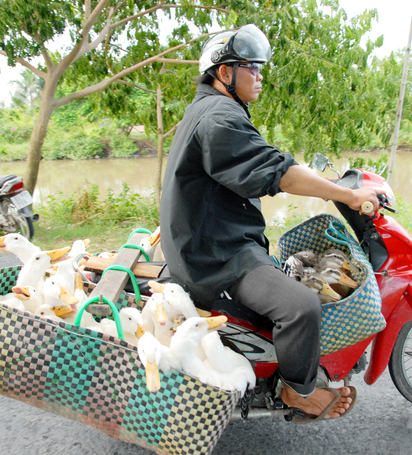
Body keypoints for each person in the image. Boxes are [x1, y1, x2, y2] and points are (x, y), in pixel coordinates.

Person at [160, 24, 384, 419]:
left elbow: (266, 159)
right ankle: (298, 390)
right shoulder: (220, 117)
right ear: (224, 72)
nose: (260, 77)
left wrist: (330, 180)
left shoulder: (213, 109)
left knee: (295, 270)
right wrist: (348, 195)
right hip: (216, 257)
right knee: (301, 305)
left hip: (212, 240)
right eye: (252, 67)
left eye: (261, 68)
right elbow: (276, 172)